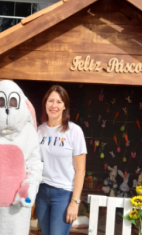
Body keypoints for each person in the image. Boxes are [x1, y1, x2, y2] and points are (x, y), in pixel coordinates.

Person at [36, 85, 87, 235]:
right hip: (42, 192)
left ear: (65, 106)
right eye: (50, 100)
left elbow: (80, 170)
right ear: (45, 104)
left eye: (59, 102)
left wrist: (75, 202)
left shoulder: (74, 131)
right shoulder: (39, 131)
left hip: (63, 194)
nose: (54, 105)